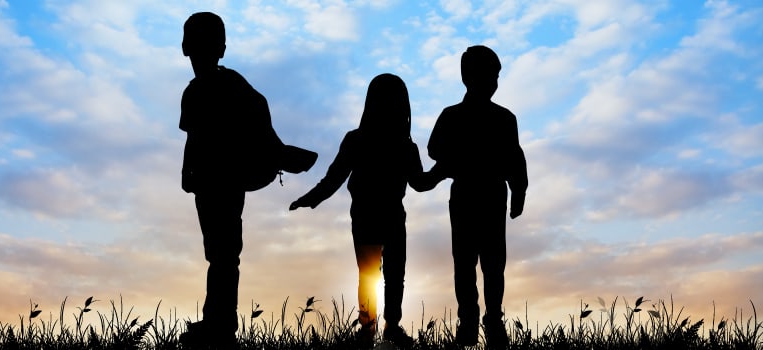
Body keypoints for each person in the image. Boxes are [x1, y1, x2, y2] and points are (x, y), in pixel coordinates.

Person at [177, 11, 297, 347]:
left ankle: (220, 324)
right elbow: (194, 137)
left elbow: (255, 118)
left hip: (224, 179)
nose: (198, 50)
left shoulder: (225, 86)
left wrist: (276, 152)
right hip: (210, 178)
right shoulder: (199, 91)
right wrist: (188, 173)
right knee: (220, 252)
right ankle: (217, 320)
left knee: (224, 252)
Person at [290, 73, 429, 347]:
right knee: (390, 274)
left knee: (374, 273)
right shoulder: (399, 144)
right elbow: (420, 183)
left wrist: (311, 197)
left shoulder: (365, 140)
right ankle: (382, 327)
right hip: (382, 214)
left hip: (372, 214)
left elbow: (334, 178)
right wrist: (311, 197)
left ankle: (375, 327)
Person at [424, 45, 528, 348]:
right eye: (490, 76)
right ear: (468, 77)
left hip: (492, 196)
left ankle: (492, 319)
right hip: (469, 196)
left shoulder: (505, 119)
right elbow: (434, 149)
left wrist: (519, 190)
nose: (494, 82)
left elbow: (515, 158)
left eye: (496, 77)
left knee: (494, 263)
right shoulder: (454, 116)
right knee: (466, 262)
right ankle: (469, 319)